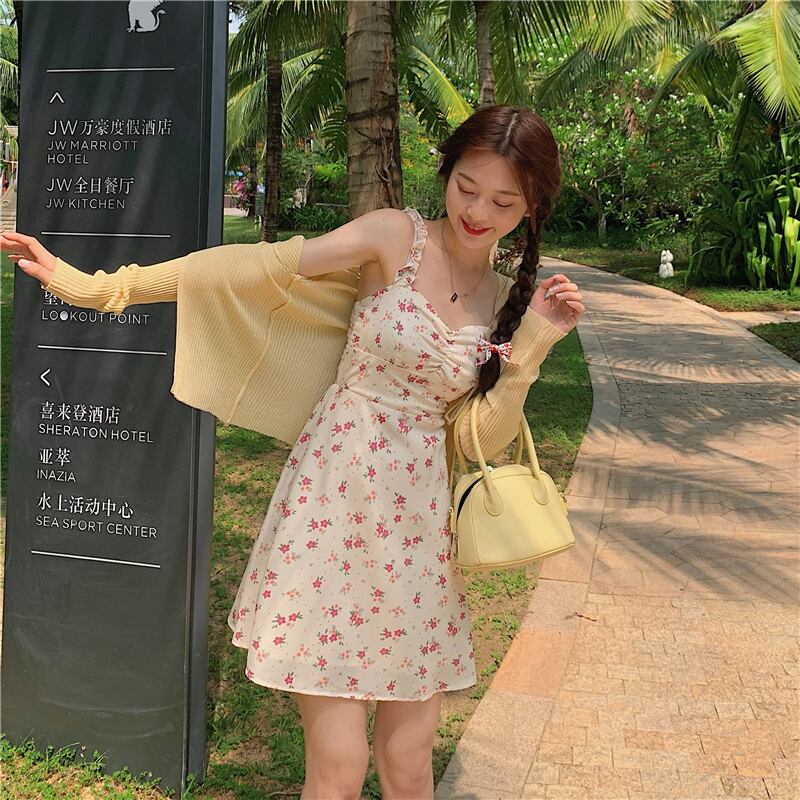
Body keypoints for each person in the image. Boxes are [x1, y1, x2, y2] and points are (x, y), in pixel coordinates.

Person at [4, 104, 584, 800]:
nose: (477, 212)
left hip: (418, 533)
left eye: (503, 201)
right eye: (467, 187)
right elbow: (249, 268)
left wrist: (532, 346)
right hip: (333, 510)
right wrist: (102, 288)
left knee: (409, 761)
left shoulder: (503, 300)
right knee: (338, 767)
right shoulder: (394, 237)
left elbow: (477, 440)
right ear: (448, 172)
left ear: (532, 207)